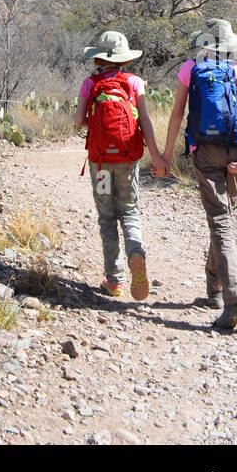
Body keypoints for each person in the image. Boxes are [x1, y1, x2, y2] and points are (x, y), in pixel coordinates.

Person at [160, 18, 237, 332]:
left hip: (204, 151)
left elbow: (177, 112)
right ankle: (215, 286)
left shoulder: (190, 69)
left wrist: (166, 154)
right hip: (235, 151)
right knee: (224, 219)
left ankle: (234, 302)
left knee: (220, 221)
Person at [75, 30, 167, 301]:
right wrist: (157, 155)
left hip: (101, 163)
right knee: (128, 211)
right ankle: (136, 254)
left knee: (106, 216)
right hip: (127, 161)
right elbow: (145, 122)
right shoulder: (135, 82)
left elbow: (79, 120)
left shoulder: (89, 84)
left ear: (98, 58)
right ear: (124, 59)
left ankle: (114, 280)